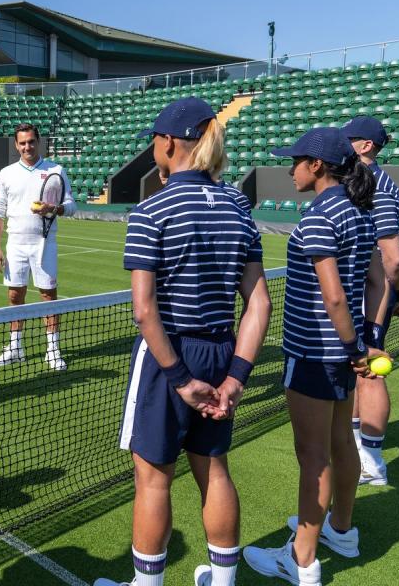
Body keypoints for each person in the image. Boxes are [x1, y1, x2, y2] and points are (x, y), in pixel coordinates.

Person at [95, 97, 271, 586]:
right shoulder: (238, 205)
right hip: (220, 353)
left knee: (153, 480)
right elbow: (259, 303)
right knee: (214, 468)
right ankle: (223, 580)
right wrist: (235, 376)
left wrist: (179, 379)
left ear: (169, 142)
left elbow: (144, 310)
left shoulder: (152, 209)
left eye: (155, 137)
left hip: (166, 356)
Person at [244, 127, 387, 586]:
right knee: (342, 444)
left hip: (315, 354)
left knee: (313, 455)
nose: (290, 169)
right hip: (343, 353)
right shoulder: (359, 212)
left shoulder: (320, 218)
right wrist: (364, 343)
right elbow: (377, 282)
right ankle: (340, 530)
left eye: (297, 161)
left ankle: (301, 559)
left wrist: (352, 349)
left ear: (318, 167)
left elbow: (335, 298)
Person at [341, 116, 399, 486]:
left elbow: (393, 257)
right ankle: (358, 449)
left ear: (366, 146)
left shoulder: (378, 187)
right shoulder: (360, 180)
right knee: (359, 372)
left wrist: (392, 296)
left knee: (370, 371)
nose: (343, 144)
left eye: (348, 139)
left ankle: (372, 461)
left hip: (370, 295)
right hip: (363, 291)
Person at [0, 123, 76, 371]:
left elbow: (70, 206)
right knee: (15, 295)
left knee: (48, 296)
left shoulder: (56, 170)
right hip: (15, 243)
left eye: (31, 141)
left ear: (38, 142)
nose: (27, 146)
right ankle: (15, 348)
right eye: (22, 142)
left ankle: (53, 350)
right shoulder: (6, 173)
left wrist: (53, 209)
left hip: (44, 244)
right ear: (16, 145)